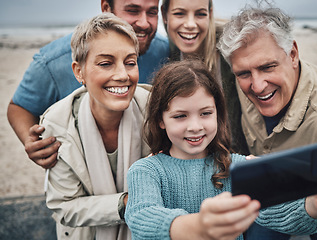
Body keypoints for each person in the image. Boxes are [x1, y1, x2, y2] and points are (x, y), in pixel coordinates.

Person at [124, 60, 317, 240]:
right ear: (160, 120)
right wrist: (200, 226)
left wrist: (315, 206)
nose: (195, 127)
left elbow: (279, 212)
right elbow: (142, 217)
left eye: (206, 113)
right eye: (180, 116)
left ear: (218, 113)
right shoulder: (146, 170)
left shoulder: (237, 167)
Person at [217, 6, 317, 240]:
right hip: (267, 198)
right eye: (243, 73)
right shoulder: (243, 77)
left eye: (267, 67)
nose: (258, 85)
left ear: (293, 54)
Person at [7, 0, 168, 169]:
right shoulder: (52, 62)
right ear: (106, 8)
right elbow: (19, 107)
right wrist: (32, 142)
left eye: (152, 12)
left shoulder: (163, 52)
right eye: (132, 11)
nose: (144, 23)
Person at [40, 13, 150, 239]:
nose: (122, 75)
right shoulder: (57, 124)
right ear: (79, 71)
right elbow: (65, 207)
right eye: (106, 63)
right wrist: (125, 203)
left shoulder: (154, 109)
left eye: (130, 62)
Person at [160, 0, 249, 154]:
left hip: (238, 160)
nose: (190, 24)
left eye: (200, 14)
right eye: (180, 13)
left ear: (210, 14)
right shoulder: (167, 55)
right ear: (164, 15)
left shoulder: (232, 49)